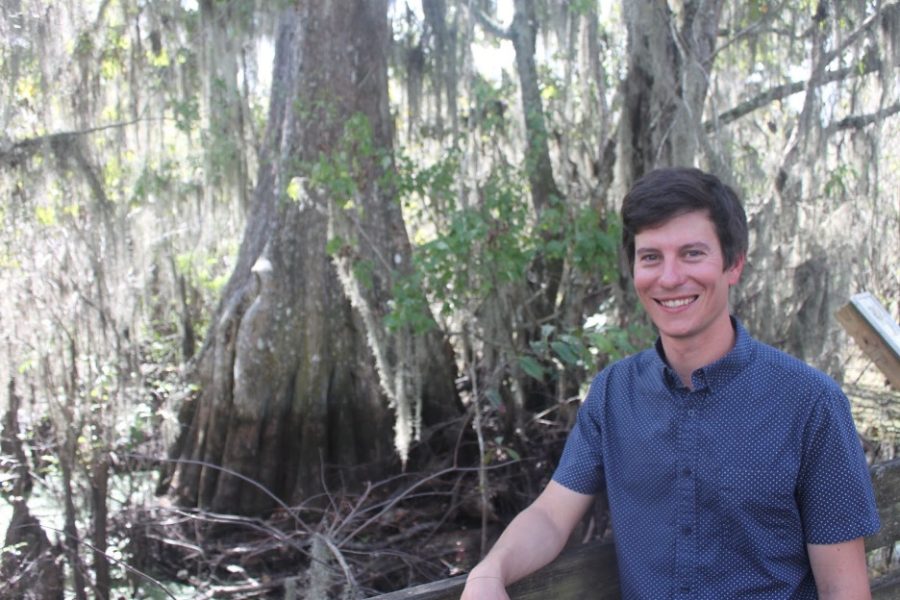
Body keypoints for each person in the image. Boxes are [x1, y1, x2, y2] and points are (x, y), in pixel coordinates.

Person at [460, 167, 879, 599]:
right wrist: (489, 572)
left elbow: (842, 590)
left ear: (733, 264)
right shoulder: (613, 395)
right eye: (651, 257)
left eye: (692, 253)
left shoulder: (810, 404)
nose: (670, 277)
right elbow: (551, 516)